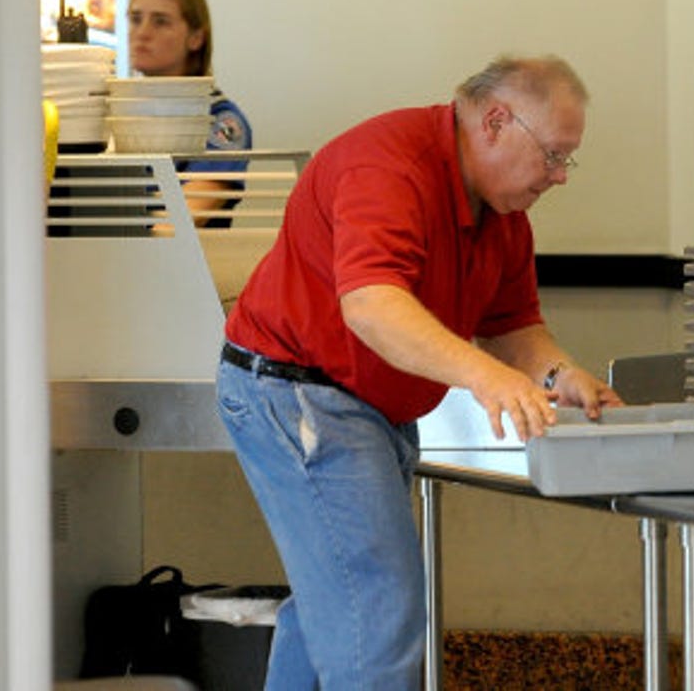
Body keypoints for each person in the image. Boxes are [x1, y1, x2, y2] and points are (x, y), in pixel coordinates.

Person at [216, 55, 624, 689]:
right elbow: (373, 306)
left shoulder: (502, 212)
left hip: (363, 402)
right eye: (552, 154)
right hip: (298, 393)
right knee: (376, 619)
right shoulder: (389, 165)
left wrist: (560, 375)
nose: (560, 175)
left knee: (337, 607)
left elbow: (514, 325)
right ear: (495, 121)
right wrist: (487, 378)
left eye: (567, 158)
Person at [127, 0, 251, 224]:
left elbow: (185, 218)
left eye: (160, 22)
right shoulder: (119, 112)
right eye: (135, 19)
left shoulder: (222, 121)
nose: (142, 33)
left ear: (196, 38)